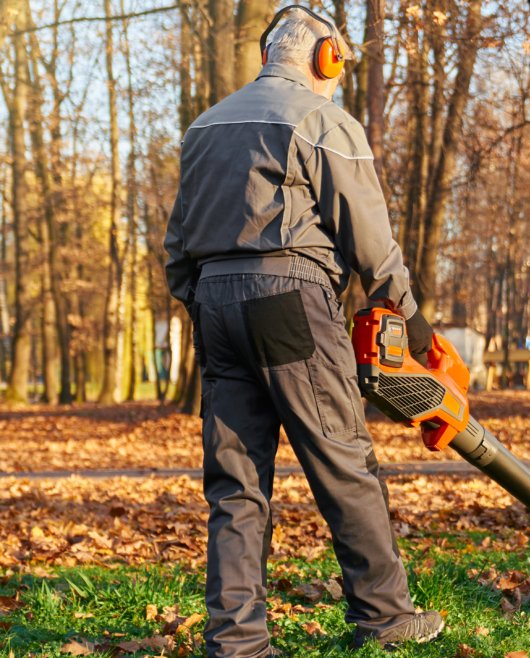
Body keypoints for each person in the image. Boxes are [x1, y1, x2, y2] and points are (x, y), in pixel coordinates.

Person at [164, 6, 442, 656]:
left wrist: (202, 302)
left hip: (213, 303)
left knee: (236, 481)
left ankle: (237, 641)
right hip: (287, 297)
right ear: (326, 58)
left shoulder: (203, 128)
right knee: (344, 459)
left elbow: (177, 246)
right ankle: (386, 615)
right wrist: (413, 319)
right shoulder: (321, 120)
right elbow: (370, 243)